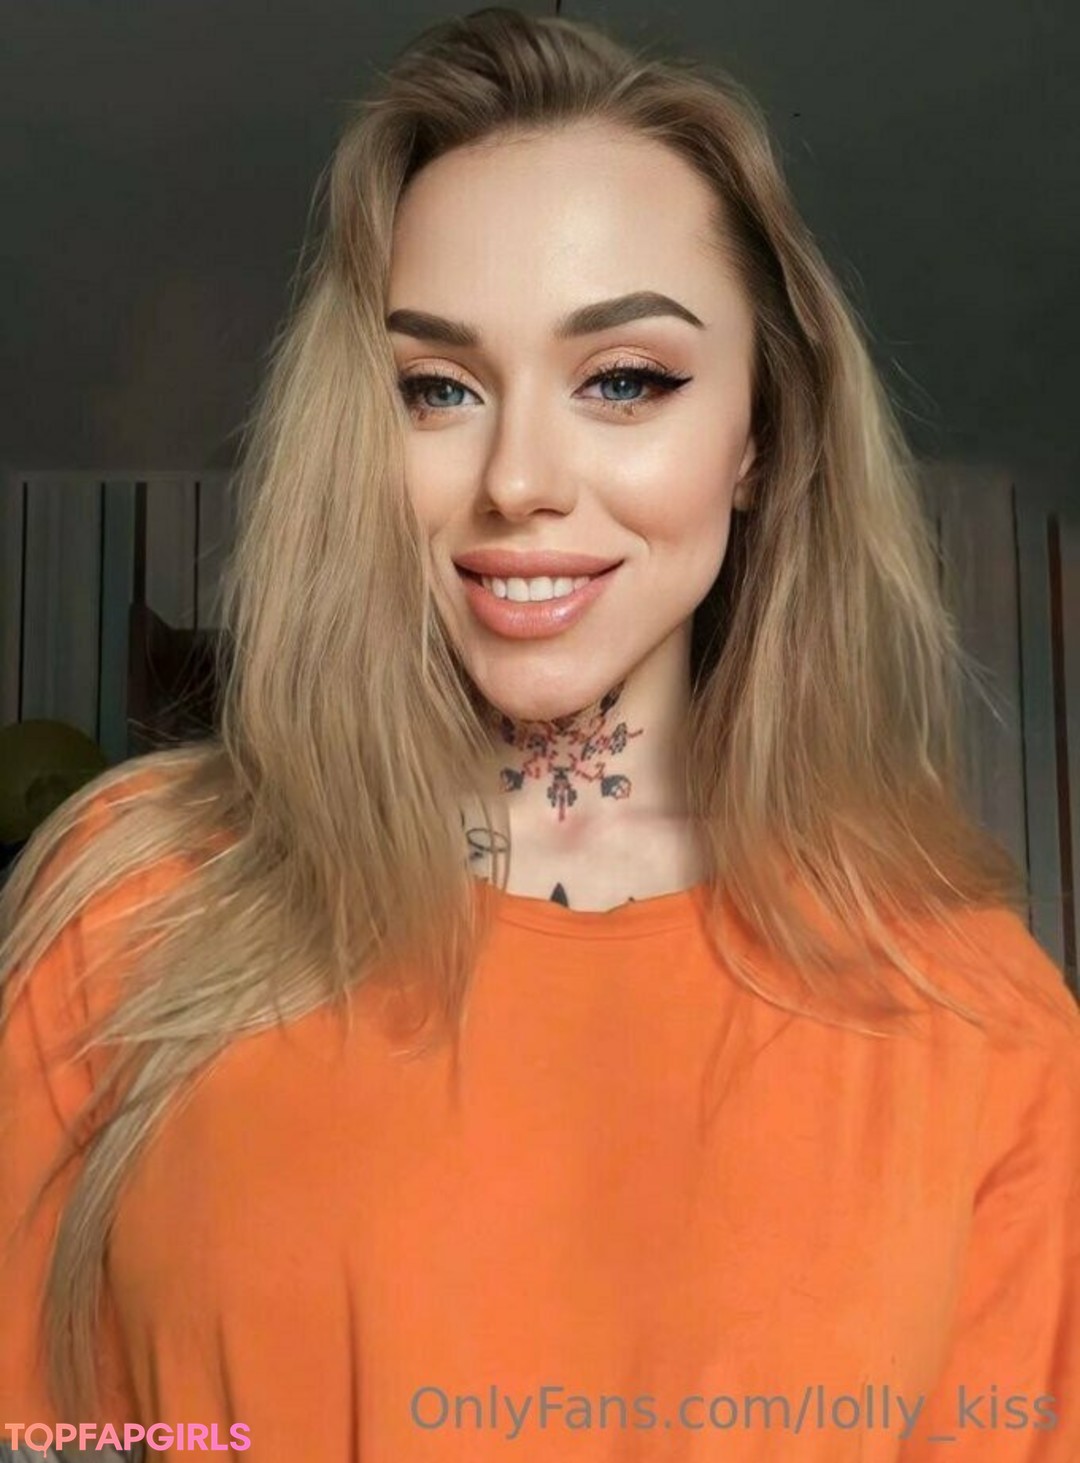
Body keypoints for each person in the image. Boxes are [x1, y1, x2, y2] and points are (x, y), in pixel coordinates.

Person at [1, 7, 1077, 1461]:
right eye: (436, 388)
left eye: (624, 379)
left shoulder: (984, 1023)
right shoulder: (126, 911)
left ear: (762, 436)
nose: (517, 479)